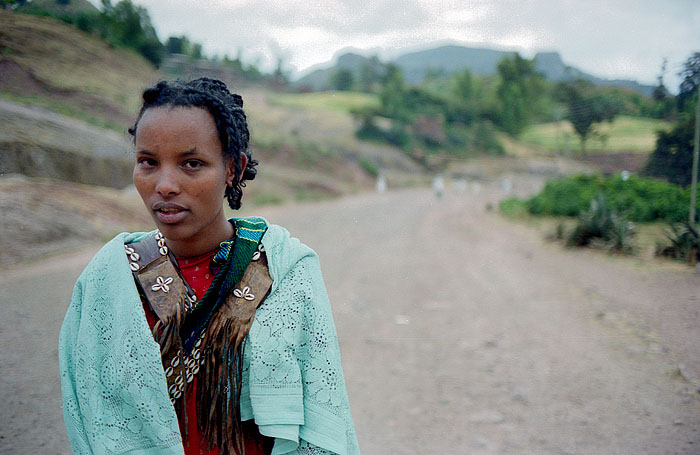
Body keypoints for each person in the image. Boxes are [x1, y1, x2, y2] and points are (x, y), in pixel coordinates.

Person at [59, 78, 360, 455]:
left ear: (233, 169)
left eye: (192, 164)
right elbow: (88, 407)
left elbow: (321, 411)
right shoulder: (110, 278)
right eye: (148, 162)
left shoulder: (282, 269)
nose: (165, 184)